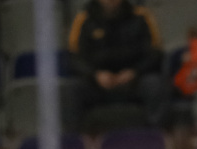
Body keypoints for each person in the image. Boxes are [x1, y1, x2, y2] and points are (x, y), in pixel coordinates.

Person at [68, 0, 165, 130]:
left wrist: (134, 72)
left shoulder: (141, 16)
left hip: (134, 81)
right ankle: (76, 138)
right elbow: (74, 58)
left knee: (155, 84)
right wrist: (95, 75)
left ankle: (156, 134)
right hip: (97, 83)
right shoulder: (84, 18)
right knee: (74, 89)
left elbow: (156, 53)